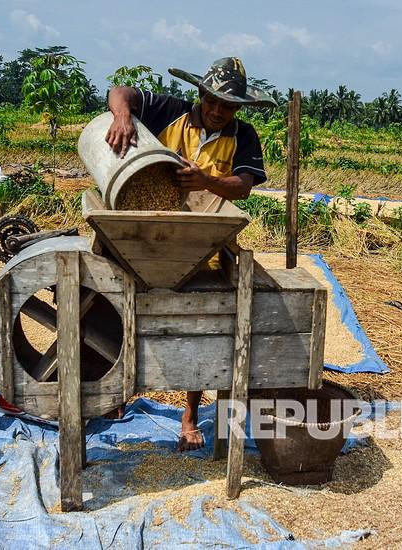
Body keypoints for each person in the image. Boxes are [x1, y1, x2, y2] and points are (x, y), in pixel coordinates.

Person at [105, 57, 276, 451]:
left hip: (204, 243)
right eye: (212, 101)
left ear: (239, 108)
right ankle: (114, 392)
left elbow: (243, 187)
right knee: (120, 308)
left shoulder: (243, 136)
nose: (217, 111)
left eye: (227, 106)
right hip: (146, 232)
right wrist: (124, 118)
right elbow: (120, 92)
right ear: (200, 93)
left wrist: (206, 180)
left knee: (205, 328)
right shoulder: (171, 112)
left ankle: (189, 415)